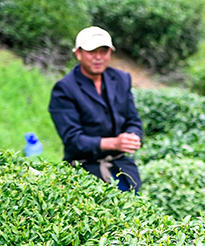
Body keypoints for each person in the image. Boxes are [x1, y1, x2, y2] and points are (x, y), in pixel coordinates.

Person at [48, 27, 143, 193]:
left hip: (121, 166)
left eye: (103, 51)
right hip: (84, 168)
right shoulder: (65, 89)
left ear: (110, 53)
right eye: (92, 52)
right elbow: (73, 140)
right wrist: (114, 143)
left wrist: (132, 137)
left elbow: (133, 120)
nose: (98, 57)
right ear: (78, 54)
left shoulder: (121, 79)